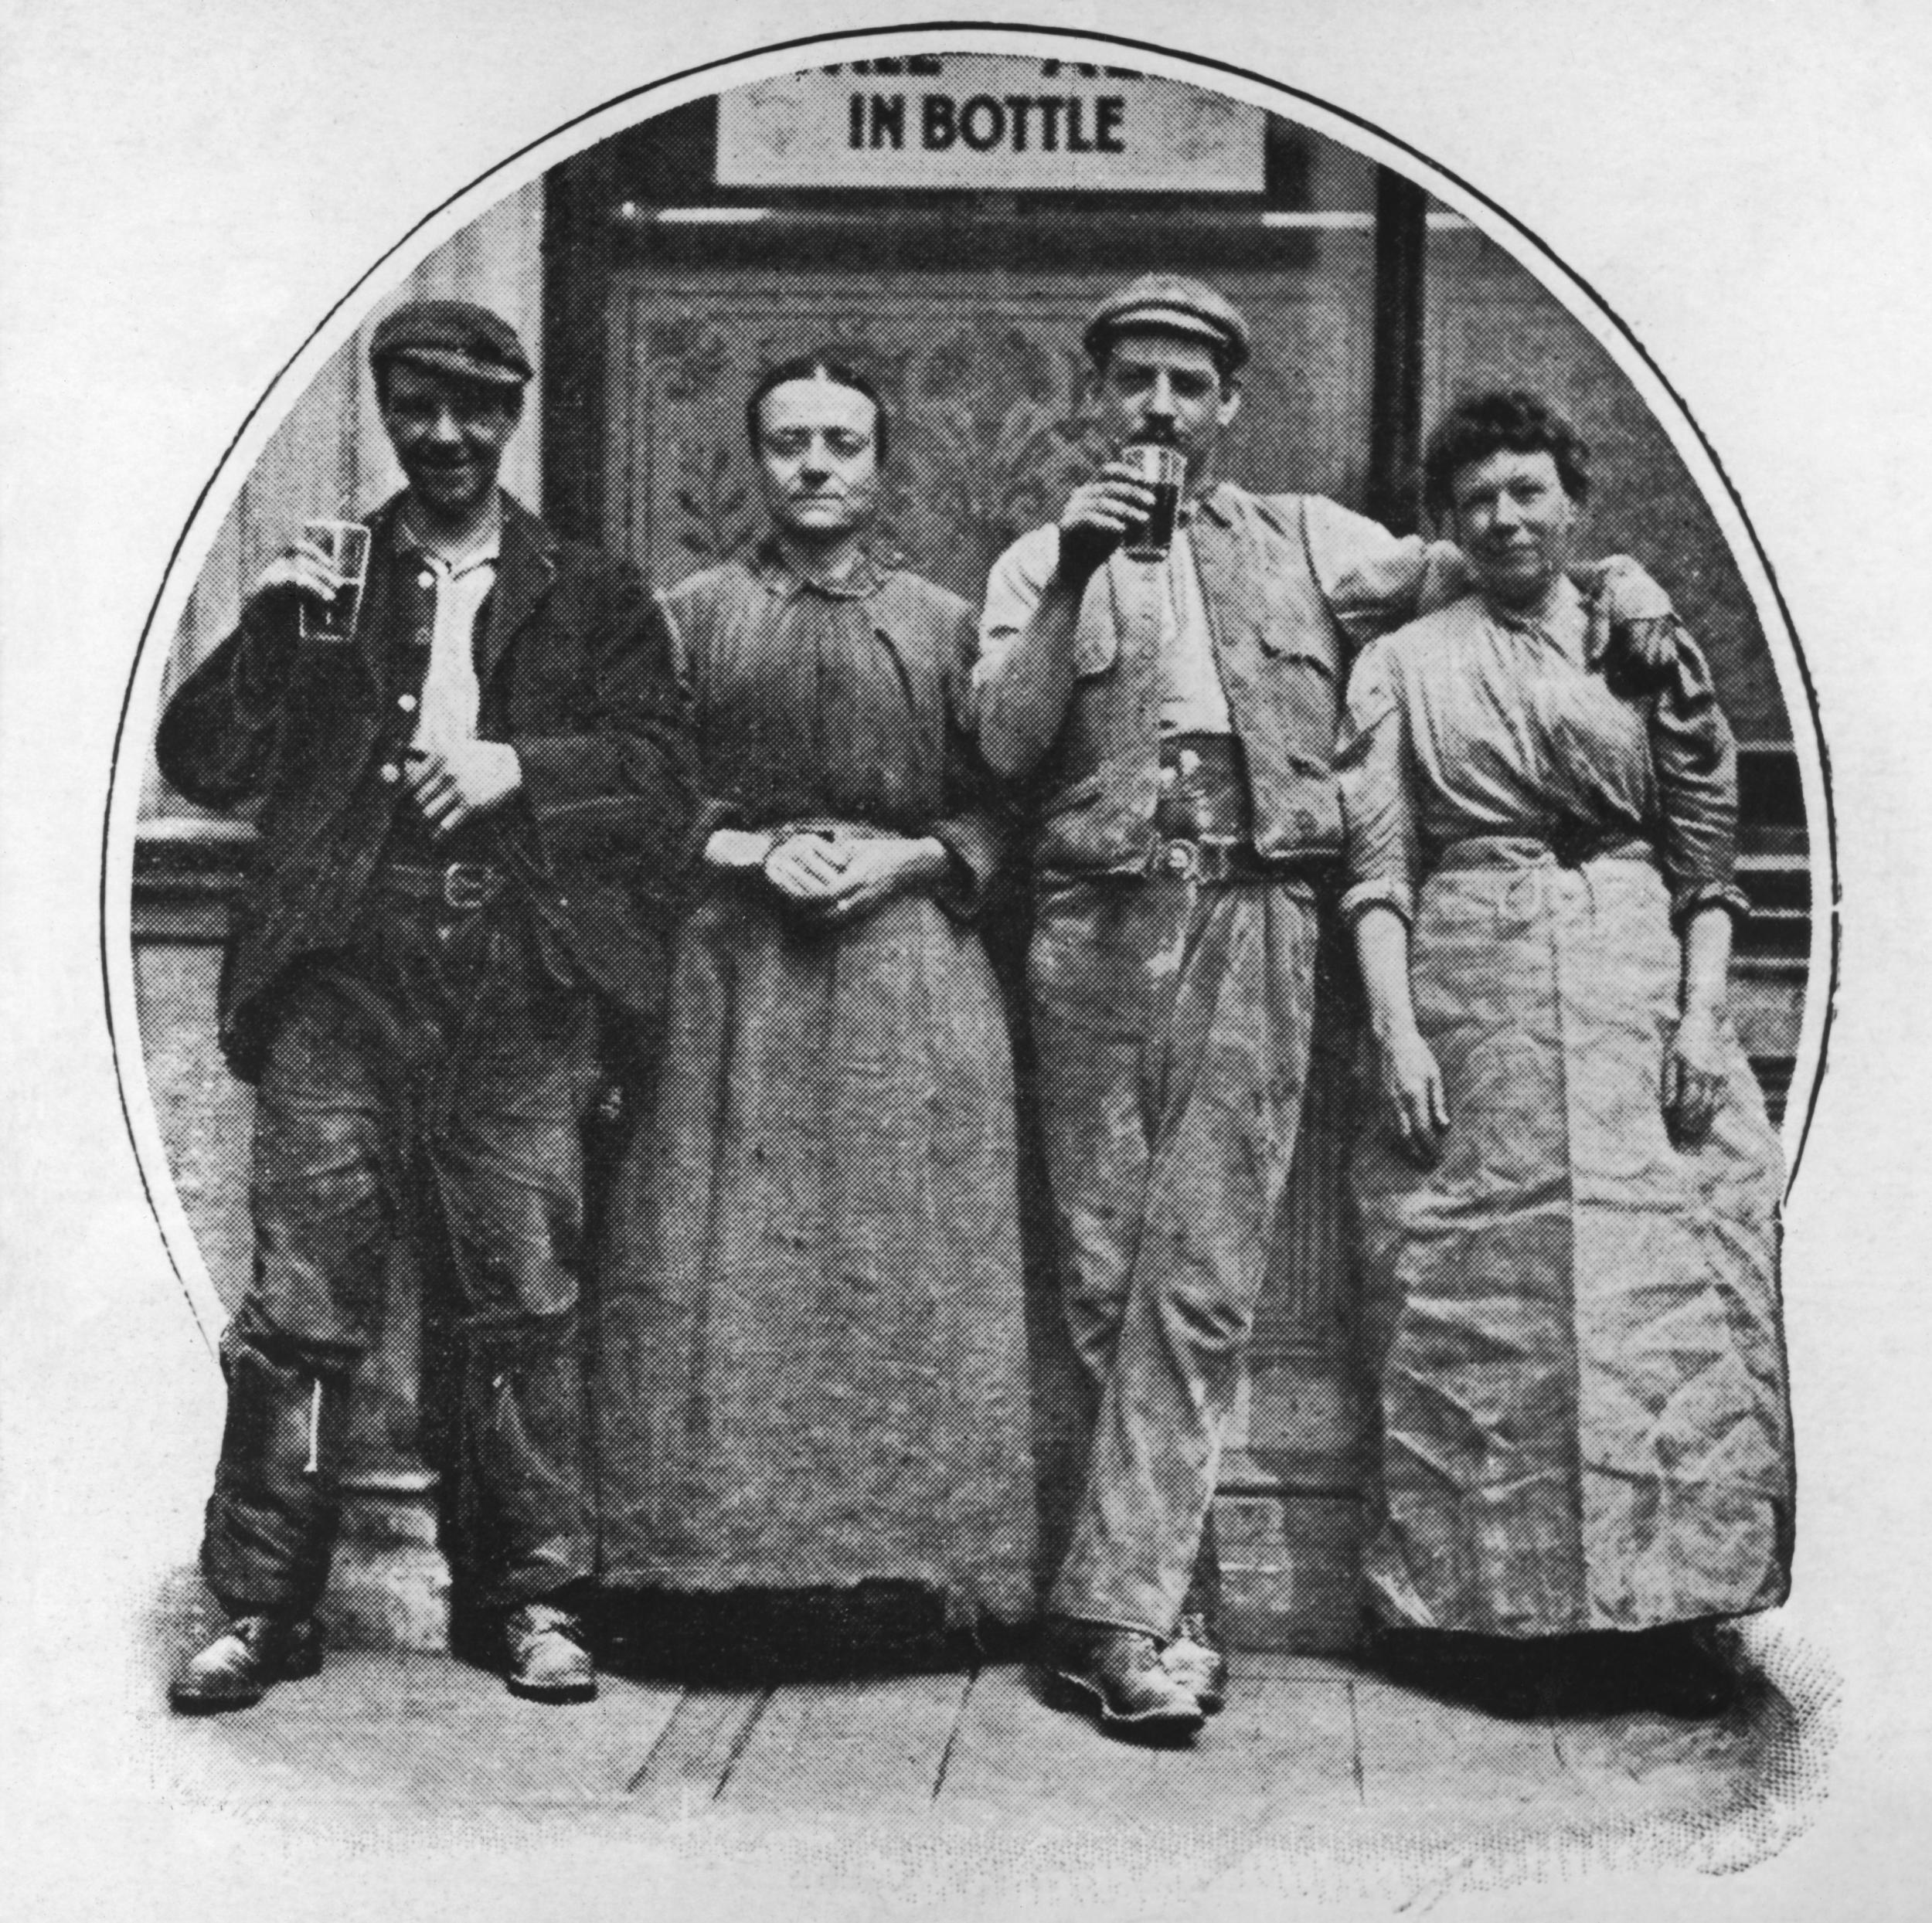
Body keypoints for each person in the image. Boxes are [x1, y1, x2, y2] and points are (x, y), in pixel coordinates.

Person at [975, 275, 1681, 1740]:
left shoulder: (1312, 539)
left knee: (1204, 1275)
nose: (1161, 408)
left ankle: (1112, 1614)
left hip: (1258, 908)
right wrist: (1066, 580)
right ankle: (1169, 1602)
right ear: (1093, 399)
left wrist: (1620, 582)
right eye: (1135, 382)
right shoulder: (1040, 558)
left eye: (1190, 383)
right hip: (1095, 921)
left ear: (1231, 403)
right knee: (1106, 1272)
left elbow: (1491, 557)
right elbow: (1003, 742)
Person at [161, 299, 694, 1712]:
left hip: (520, 977)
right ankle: (266, 1605)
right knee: (301, 1308)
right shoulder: (332, 576)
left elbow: (661, 780)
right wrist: (265, 630)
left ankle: (530, 1601)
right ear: (389, 414)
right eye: (418, 409)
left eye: (474, 410)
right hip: (345, 975)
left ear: (512, 416)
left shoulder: (591, 589)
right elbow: (205, 761)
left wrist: (524, 765)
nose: (446, 436)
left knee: (520, 1295)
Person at [1338, 390, 1794, 1717]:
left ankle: (1673, 1610)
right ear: (1448, 522)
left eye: (1528, 491)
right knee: (1477, 1296)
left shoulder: (1640, 643)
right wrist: (1396, 1029)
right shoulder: (1406, 661)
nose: (1505, 518)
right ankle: (1486, 1618)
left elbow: (1710, 854)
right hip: (1468, 984)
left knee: (1674, 1292)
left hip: (1637, 980)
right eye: (1477, 499)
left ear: (1572, 503)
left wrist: (1702, 1015)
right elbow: (1376, 868)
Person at [592, 358, 1037, 1651]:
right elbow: (639, 790)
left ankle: (908, 1580)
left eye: (844, 442)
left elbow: (1007, 800)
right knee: (724, 1265)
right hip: (736, 974)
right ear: (757, 463)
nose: (818, 466)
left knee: (901, 1268)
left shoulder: (953, 625)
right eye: (790, 443)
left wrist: (908, 857)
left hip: (908, 976)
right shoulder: (688, 616)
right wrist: (747, 853)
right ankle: (714, 1578)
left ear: (882, 464)